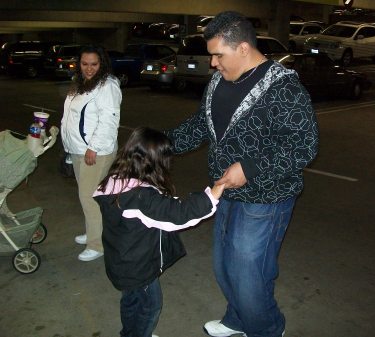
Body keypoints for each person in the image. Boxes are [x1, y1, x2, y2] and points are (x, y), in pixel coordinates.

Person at [165, 11, 319, 337]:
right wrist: (161, 146)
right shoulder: (220, 80)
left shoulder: (283, 87)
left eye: (218, 55)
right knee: (224, 266)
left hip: (267, 196)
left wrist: (249, 169)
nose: (212, 63)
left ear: (244, 48)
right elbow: (200, 126)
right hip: (225, 190)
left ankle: (267, 329)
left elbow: (303, 146)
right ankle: (238, 319)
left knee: (249, 271)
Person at [93, 127, 225, 337]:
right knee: (149, 306)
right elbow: (179, 215)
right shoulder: (141, 198)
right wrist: (214, 193)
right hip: (138, 268)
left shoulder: (116, 179)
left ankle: (130, 333)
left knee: (131, 301)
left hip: (122, 262)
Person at [61, 44, 121, 261]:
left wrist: (93, 148)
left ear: (102, 63)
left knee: (89, 197)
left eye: (94, 64)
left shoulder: (108, 86)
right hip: (79, 148)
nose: (89, 68)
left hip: (96, 151)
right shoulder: (80, 83)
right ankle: (93, 231)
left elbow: (109, 121)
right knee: (88, 194)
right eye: (84, 64)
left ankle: (97, 245)